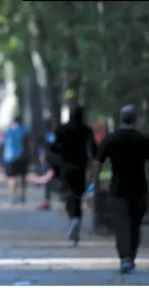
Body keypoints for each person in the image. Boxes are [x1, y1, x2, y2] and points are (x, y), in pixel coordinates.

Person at [92, 105, 149, 274]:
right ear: (136, 119)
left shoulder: (111, 139)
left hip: (118, 188)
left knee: (121, 224)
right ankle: (131, 256)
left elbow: (98, 164)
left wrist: (95, 185)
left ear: (121, 119)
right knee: (135, 224)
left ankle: (124, 258)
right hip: (139, 188)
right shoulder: (144, 140)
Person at [52, 105, 97, 246]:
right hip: (81, 166)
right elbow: (93, 148)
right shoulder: (86, 130)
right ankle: (77, 219)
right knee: (78, 195)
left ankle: (72, 218)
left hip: (65, 166)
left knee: (68, 194)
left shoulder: (62, 129)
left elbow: (54, 147)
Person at [1, 115, 31, 204]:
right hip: (21, 156)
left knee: (11, 178)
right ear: (21, 121)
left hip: (9, 157)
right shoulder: (25, 130)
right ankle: (23, 196)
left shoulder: (7, 131)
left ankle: (12, 197)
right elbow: (28, 144)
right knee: (23, 177)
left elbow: (2, 144)